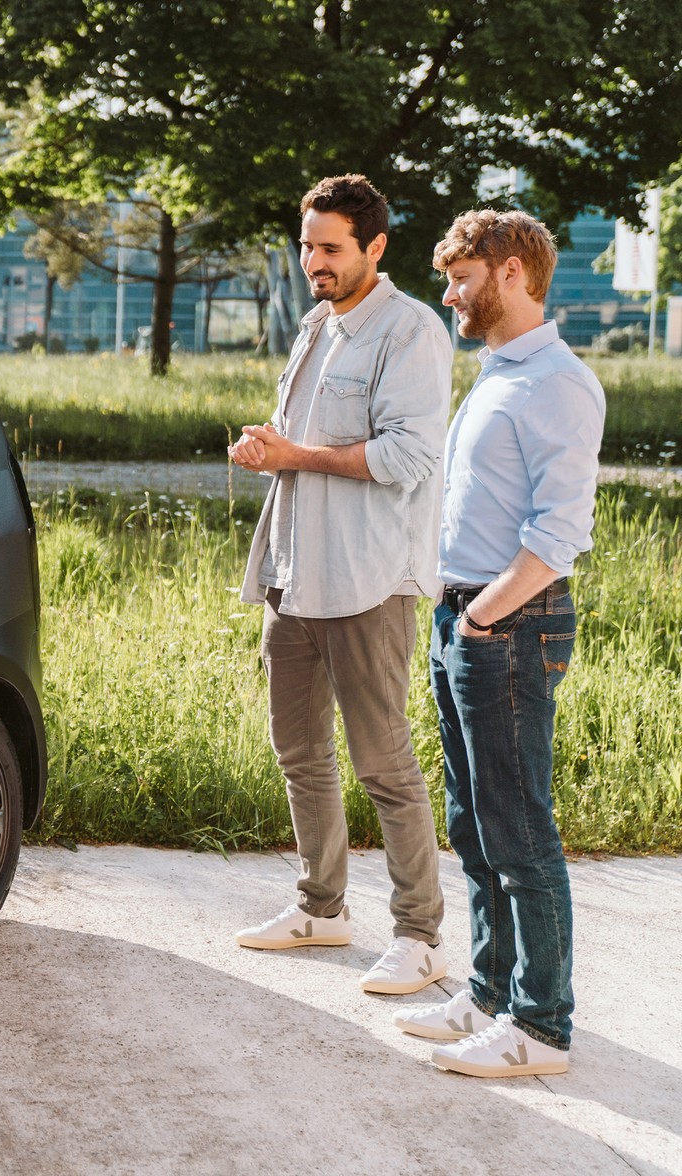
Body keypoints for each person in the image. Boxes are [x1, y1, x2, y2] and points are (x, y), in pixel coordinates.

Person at [228, 175, 455, 995]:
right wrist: (270, 447)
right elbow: (308, 444)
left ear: (375, 248)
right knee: (298, 750)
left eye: (330, 248)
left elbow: (405, 457)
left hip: (368, 582)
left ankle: (420, 934)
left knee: (383, 762)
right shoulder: (315, 327)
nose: (313, 263)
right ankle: (322, 909)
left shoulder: (412, 332)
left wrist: (296, 456)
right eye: (306, 246)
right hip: (295, 572)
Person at [396, 211, 603, 1078]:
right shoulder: (498, 374)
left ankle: (541, 1026)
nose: (449, 294)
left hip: (509, 624)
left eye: (461, 279)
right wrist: (454, 610)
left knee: (519, 830)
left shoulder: (556, 382)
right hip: (465, 618)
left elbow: (558, 535)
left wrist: (482, 615)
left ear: (511, 272)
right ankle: (489, 991)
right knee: (474, 824)